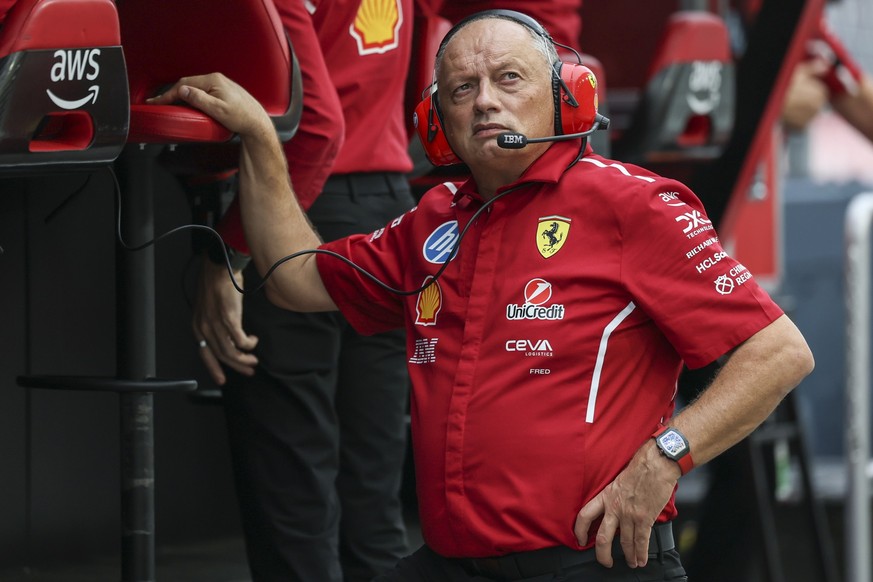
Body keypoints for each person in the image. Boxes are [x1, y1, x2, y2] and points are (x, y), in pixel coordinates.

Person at [156, 9, 814, 580]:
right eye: (462, 89)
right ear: (436, 122)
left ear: (565, 96)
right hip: (455, 564)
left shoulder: (632, 204)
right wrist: (262, 139)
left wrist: (664, 459)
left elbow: (779, 353)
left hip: (593, 565)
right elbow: (297, 279)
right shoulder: (432, 221)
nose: (484, 102)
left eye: (509, 78)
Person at [190, 1, 416, 580]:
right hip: (389, 207)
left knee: (293, 488)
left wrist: (229, 253)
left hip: (297, 204)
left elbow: (317, 126)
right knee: (373, 492)